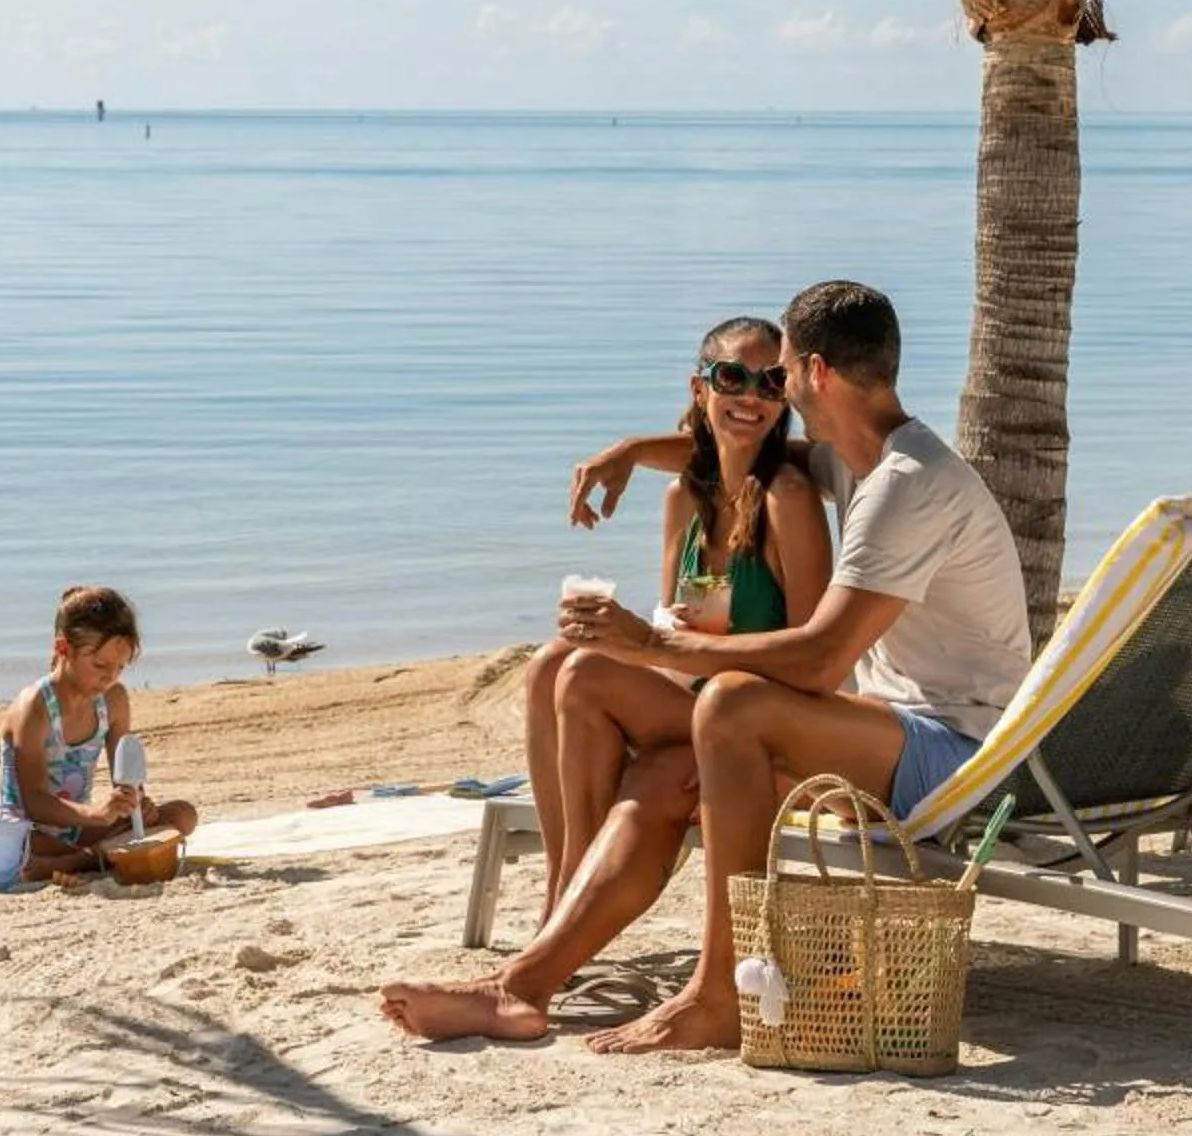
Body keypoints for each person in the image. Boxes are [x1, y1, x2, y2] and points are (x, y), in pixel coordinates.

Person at [380, 280, 1032, 1052]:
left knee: (729, 705)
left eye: (781, 370)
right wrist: (629, 451)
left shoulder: (906, 487)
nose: (774, 388)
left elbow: (822, 660)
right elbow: (731, 451)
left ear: (815, 372)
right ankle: (519, 988)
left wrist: (652, 646)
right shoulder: (859, 458)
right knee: (662, 771)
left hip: (955, 755)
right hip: (888, 731)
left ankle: (721, 996)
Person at [521, 316, 831, 914]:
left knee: (583, 674)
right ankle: (562, 892)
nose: (750, 397)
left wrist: (643, 648)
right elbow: (675, 637)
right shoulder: (684, 499)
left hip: (760, 721)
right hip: (692, 695)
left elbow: (816, 661)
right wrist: (630, 635)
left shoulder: (786, 500)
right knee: (549, 664)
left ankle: (569, 910)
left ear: (786, 396)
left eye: (770, 383)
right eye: (732, 377)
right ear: (700, 389)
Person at [0, 585, 198, 878]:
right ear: (63, 648)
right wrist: (95, 814)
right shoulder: (35, 706)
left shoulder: (113, 700)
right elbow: (34, 802)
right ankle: (95, 857)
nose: (110, 676)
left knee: (182, 815)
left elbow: (127, 778)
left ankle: (79, 861)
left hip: (82, 827)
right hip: (30, 831)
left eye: (120, 666)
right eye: (100, 665)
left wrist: (136, 805)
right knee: (19, 849)